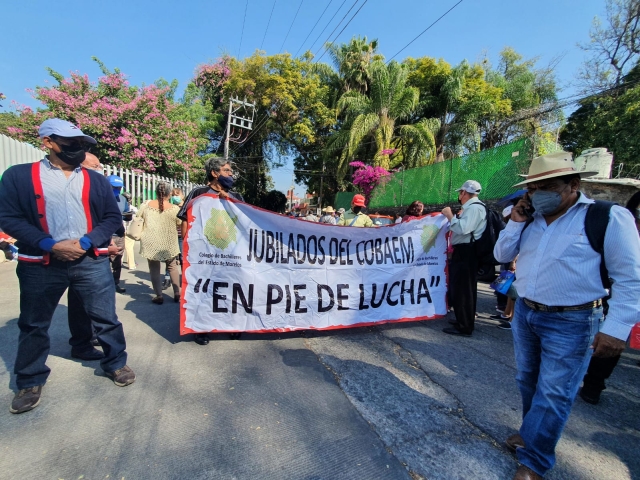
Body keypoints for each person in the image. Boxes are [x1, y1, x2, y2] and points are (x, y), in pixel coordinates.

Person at [494, 151, 640, 480]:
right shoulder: (529, 218)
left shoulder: (608, 217)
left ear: (573, 185)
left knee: (555, 391)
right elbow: (501, 254)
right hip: (527, 314)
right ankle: (531, 435)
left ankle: (534, 461)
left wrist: (616, 329)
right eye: (533, 188)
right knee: (528, 381)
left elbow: (630, 278)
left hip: (574, 322)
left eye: (547, 187)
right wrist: (516, 220)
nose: (537, 195)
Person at [0, 118, 135, 414]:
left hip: (89, 260)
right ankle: (30, 379)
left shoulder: (95, 180)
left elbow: (112, 218)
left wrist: (86, 242)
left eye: (82, 144)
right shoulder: (19, 176)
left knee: (105, 317)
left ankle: (115, 363)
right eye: (71, 143)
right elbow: (8, 218)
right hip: (41, 263)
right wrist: (49, 244)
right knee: (34, 323)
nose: (78, 148)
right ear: (48, 142)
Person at [579, 190, 640, 405]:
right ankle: (593, 384)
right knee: (607, 337)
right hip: (610, 293)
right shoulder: (619, 227)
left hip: (626, 292)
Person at [178, 157, 244, 346]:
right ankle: (201, 328)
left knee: (232, 289)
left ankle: (232, 325)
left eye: (231, 171)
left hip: (231, 254)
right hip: (204, 253)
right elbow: (184, 218)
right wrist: (187, 247)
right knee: (203, 289)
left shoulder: (237, 196)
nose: (231, 174)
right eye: (226, 171)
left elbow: (246, 221)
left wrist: (229, 200)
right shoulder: (199, 193)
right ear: (214, 173)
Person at [440, 180, 486, 337]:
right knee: (462, 288)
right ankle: (462, 319)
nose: (459, 196)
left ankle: (465, 325)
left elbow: (462, 228)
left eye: (460, 193)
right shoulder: (472, 208)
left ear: (464, 193)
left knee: (463, 289)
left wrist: (449, 216)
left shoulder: (474, 209)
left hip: (467, 252)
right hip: (465, 251)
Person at [137, 182, 181, 305]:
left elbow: (137, 217)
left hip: (150, 241)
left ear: (156, 192)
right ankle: (177, 292)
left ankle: (159, 295)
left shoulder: (146, 206)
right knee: (172, 266)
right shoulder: (174, 208)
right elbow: (179, 222)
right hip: (169, 241)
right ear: (169, 193)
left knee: (154, 268)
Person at [107, 175, 131, 294]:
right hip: (106, 234)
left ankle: (115, 283)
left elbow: (126, 212)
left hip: (119, 233)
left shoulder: (122, 199)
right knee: (105, 260)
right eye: (115, 187)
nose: (118, 189)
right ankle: (105, 284)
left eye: (120, 187)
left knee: (117, 260)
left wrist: (128, 216)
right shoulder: (102, 198)